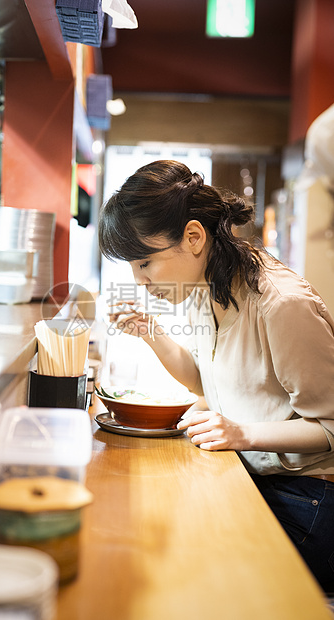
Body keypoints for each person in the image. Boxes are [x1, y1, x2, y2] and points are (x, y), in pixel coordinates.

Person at [98, 159, 334, 594]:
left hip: (309, 500)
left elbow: (330, 427)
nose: (140, 280)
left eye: (145, 263)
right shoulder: (204, 285)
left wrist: (240, 432)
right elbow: (205, 385)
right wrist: (151, 333)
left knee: (194, 572)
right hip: (252, 475)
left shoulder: (280, 304)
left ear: (193, 237)